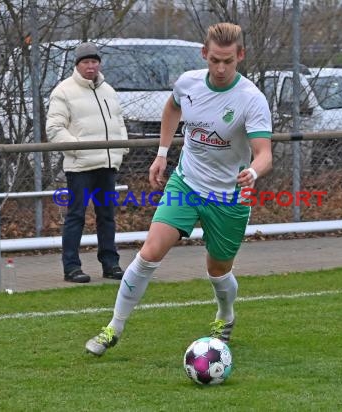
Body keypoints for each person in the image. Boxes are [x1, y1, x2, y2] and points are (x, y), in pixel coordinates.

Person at [85, 22, 273, 356]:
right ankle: (113, 327)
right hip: (186, 183)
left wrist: (254, 174)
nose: (220, 67)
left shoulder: (251, 99)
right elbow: (172, 107)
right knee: (150, 252)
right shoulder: (188, 83)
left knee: (218, 270)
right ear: (204, 53)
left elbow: (264, 154)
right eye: (214, 59)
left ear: (240, 56)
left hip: (228, 196)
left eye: (228, 61)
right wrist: (161, 153)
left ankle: (225, 314)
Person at [46, 42, 128, 283]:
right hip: (80, 168)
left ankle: (110, 264)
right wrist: (79, 151)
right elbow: (54, 129)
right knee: (76, 216)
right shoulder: (63, 91)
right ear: (77, 65)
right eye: (86, 62)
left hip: (107, 165)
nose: (91, 66)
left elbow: (119, 123)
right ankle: (71, 267)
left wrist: (120, 150)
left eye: (94, 62)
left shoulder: (108, 90)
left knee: (106, 216)